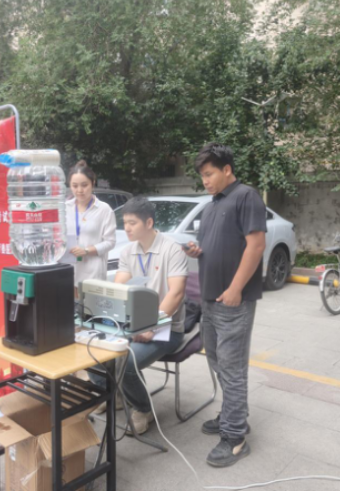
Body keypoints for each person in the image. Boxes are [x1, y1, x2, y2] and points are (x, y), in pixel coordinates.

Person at [185, 143, 267, 469]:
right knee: (218, 362)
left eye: (209, 174)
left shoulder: (246, 197)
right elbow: (216, 246)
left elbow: (256, 245)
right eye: (202, 176)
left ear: (227, 169)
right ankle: (234, 415)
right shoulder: (212, 205)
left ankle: (235, 438)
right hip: (210, 299)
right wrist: (197, 251)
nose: (205, 181)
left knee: (232, 369)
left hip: (233, 300)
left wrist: (236, 288)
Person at [90, 197, 189, 435]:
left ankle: (143, 408)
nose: (127, 228)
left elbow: (176, 294)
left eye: (132, 223)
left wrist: (151, 326)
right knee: (92, 349)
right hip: (133, 325)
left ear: (149, 223)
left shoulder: (172, 250)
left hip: (166, 328)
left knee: (126, 362)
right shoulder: (128, 251)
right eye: (125, 222)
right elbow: (119, 288)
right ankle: (116, 394)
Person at [66, 161, 117, 286]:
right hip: (68, 270)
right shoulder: (65, 208)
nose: (79, 190)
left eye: (84, 185)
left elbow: (110, 242)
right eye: (75, 186)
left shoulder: (104, 210)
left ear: (93, 183)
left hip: (93, 274)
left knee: (88, 299)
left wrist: (86, 250)